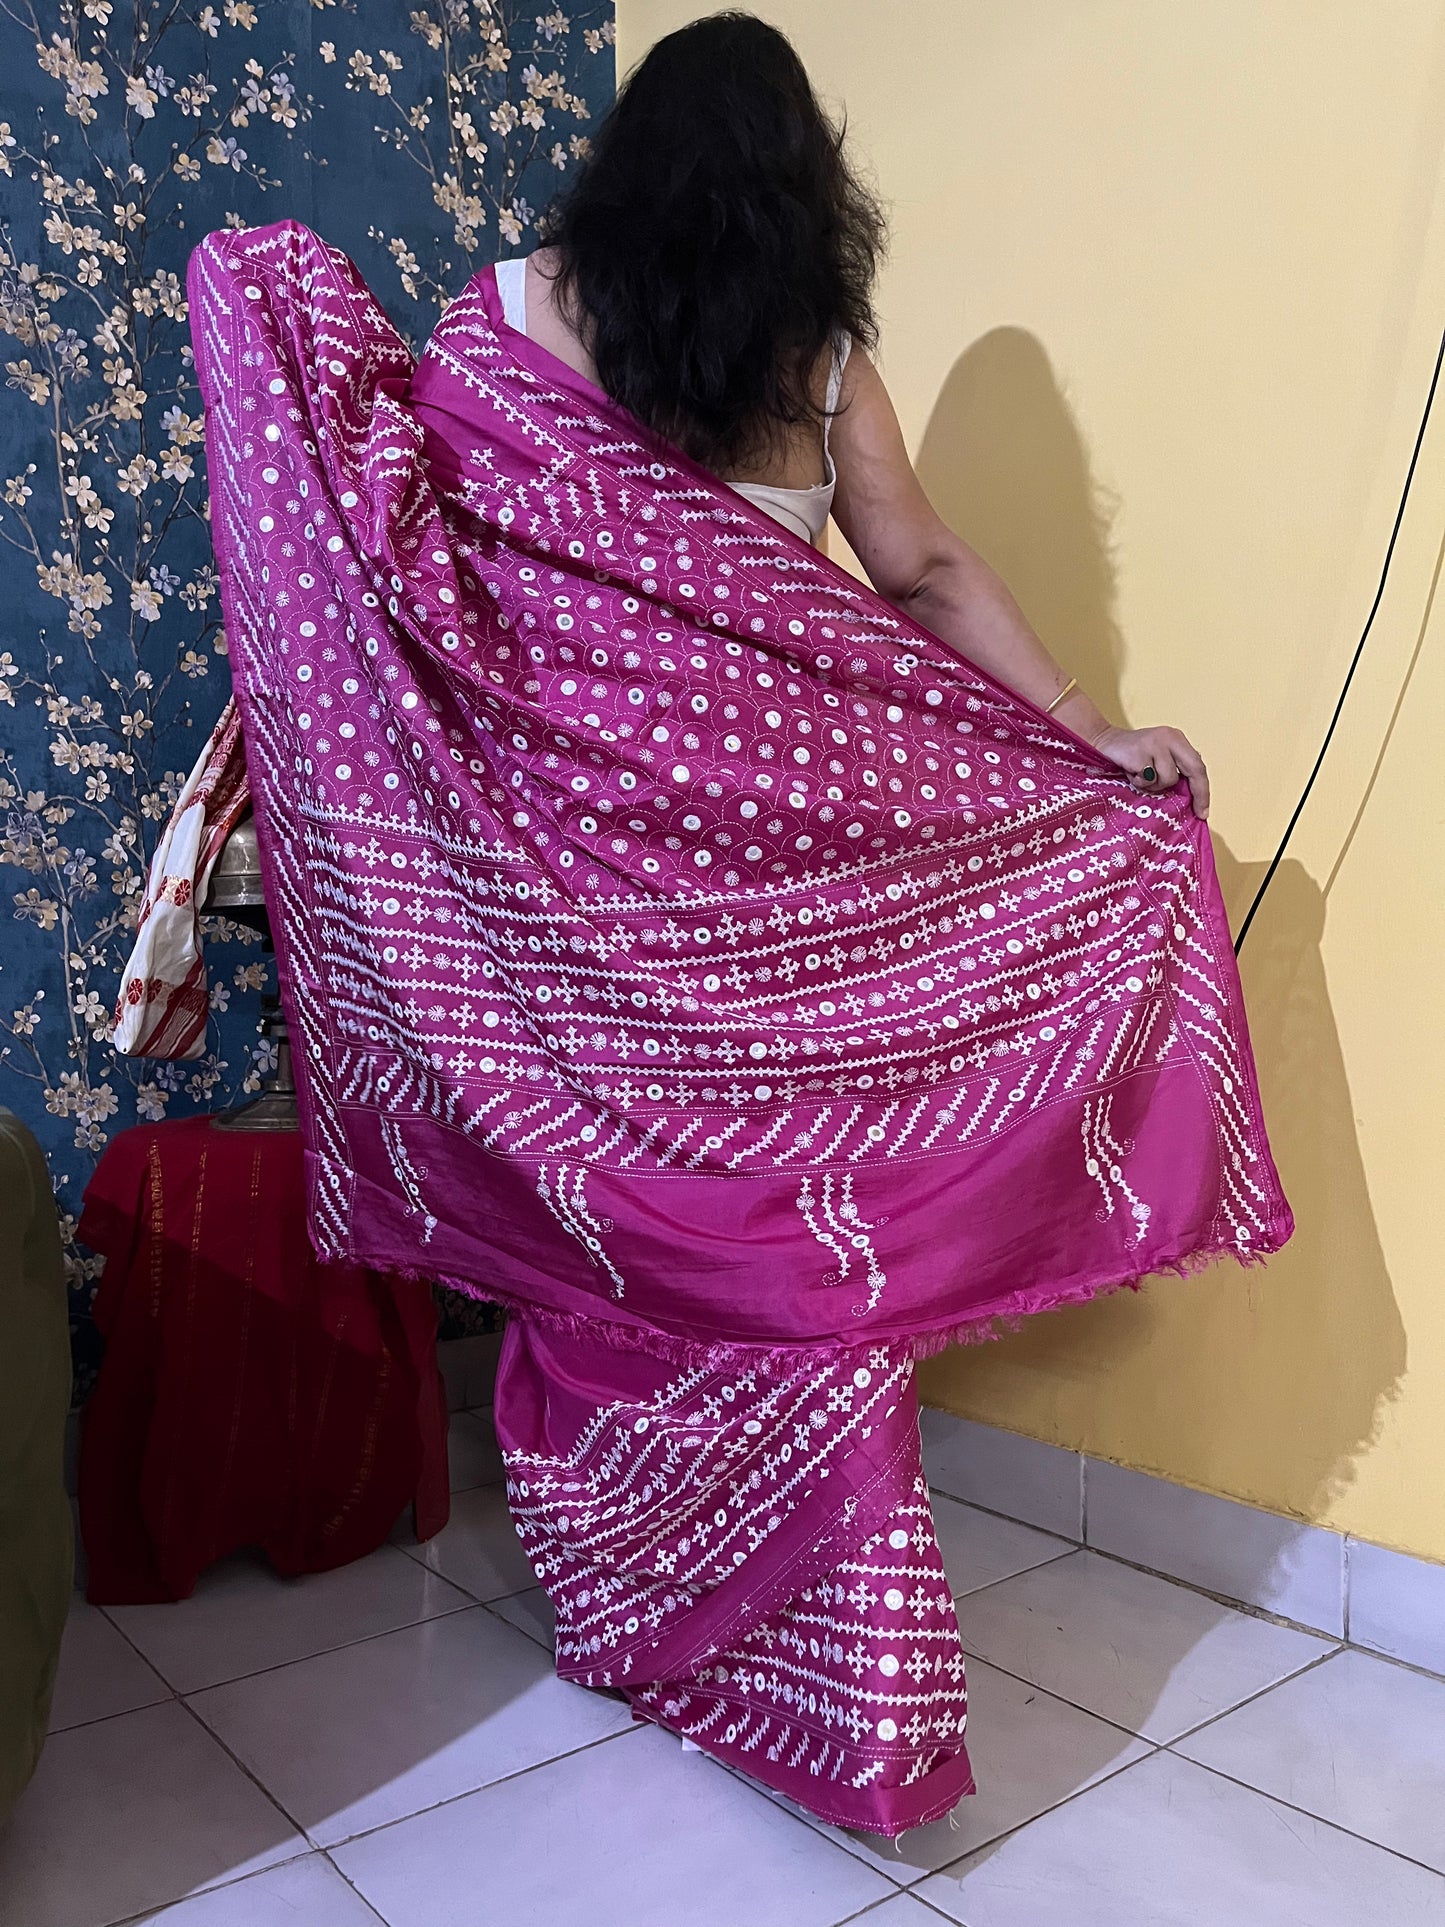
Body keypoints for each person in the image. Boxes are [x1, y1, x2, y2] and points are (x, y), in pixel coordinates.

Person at [188, 7, 1289, 1843]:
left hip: (637, 918)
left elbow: (418, 581)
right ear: (807, 186)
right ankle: (751, 1660)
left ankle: (654, 1620)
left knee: (652, 1233)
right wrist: (1084, 729)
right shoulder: (814, 341)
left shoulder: (514, 316)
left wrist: (1087, 760)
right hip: (728, 910)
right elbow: (917, 570)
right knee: (779, 1254)